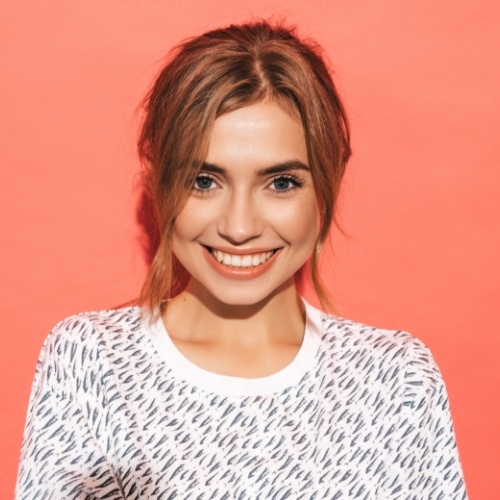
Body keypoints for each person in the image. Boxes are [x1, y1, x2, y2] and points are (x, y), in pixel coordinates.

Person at [16, 21, 467, 499]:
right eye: (204, 181)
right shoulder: (92, 364)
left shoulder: (395, 383)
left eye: (281, 183)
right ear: (159, 184)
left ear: (328, 183)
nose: (238, 226)